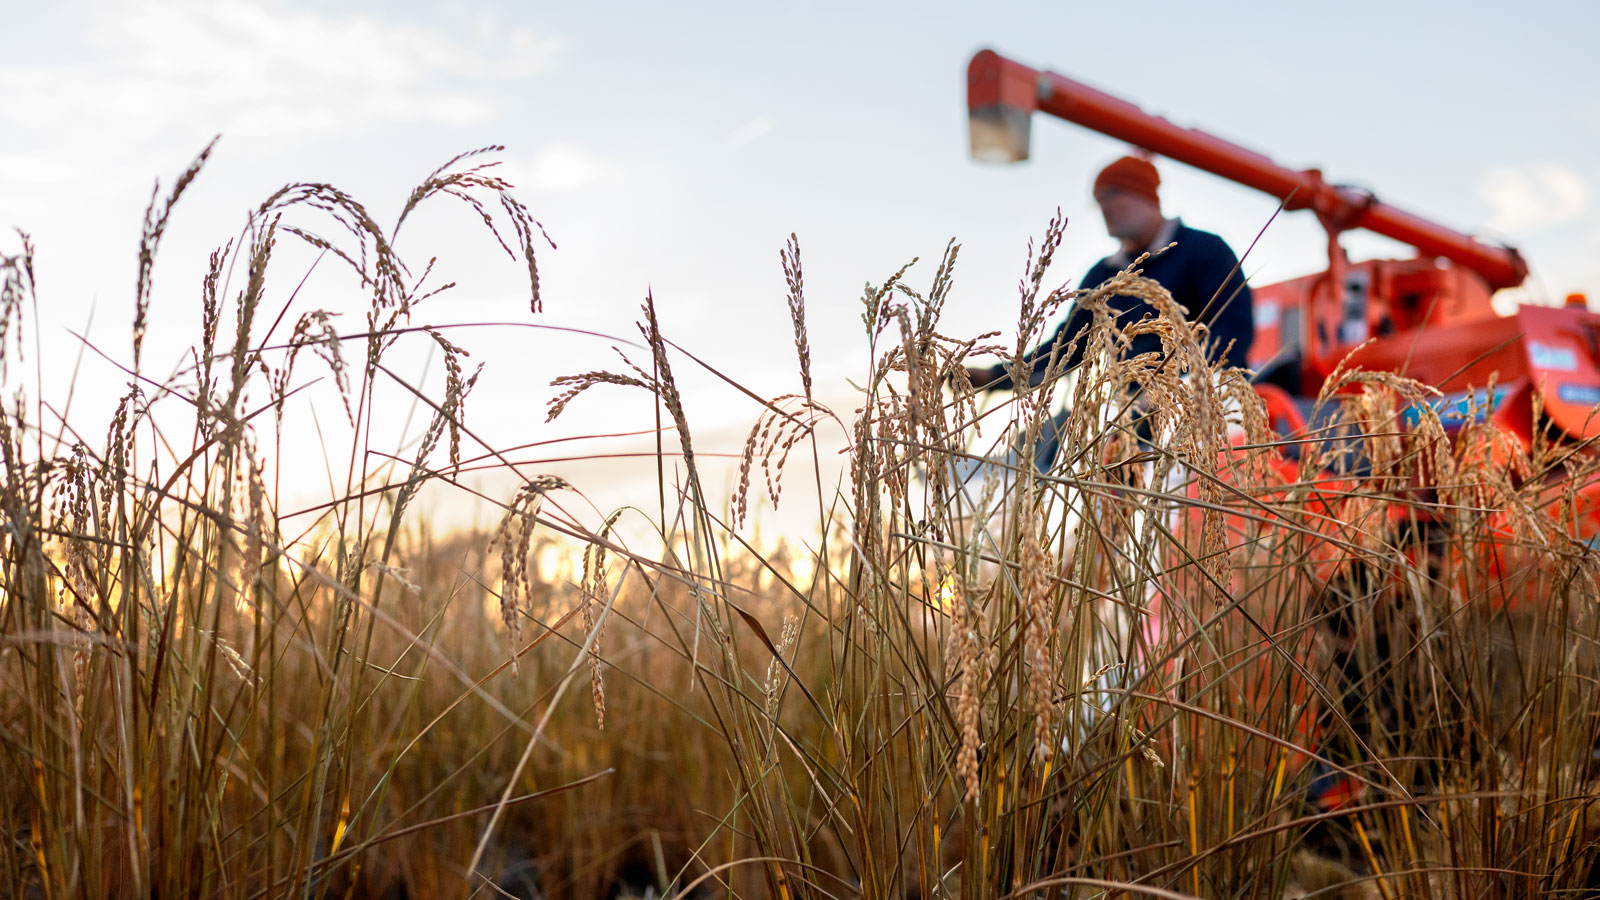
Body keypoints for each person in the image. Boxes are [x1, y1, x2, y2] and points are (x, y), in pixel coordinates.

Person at [963, 155, 1254, 468]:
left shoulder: (1205, 251)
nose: (1104, 209)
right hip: (1130, 424)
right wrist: (994, 377)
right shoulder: (1104, 276)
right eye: (1098, 201)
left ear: (1144, 194)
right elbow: (1065, 351)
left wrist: (1171, 392)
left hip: (1205, 416)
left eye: (1112, 195)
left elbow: (1232, 333)